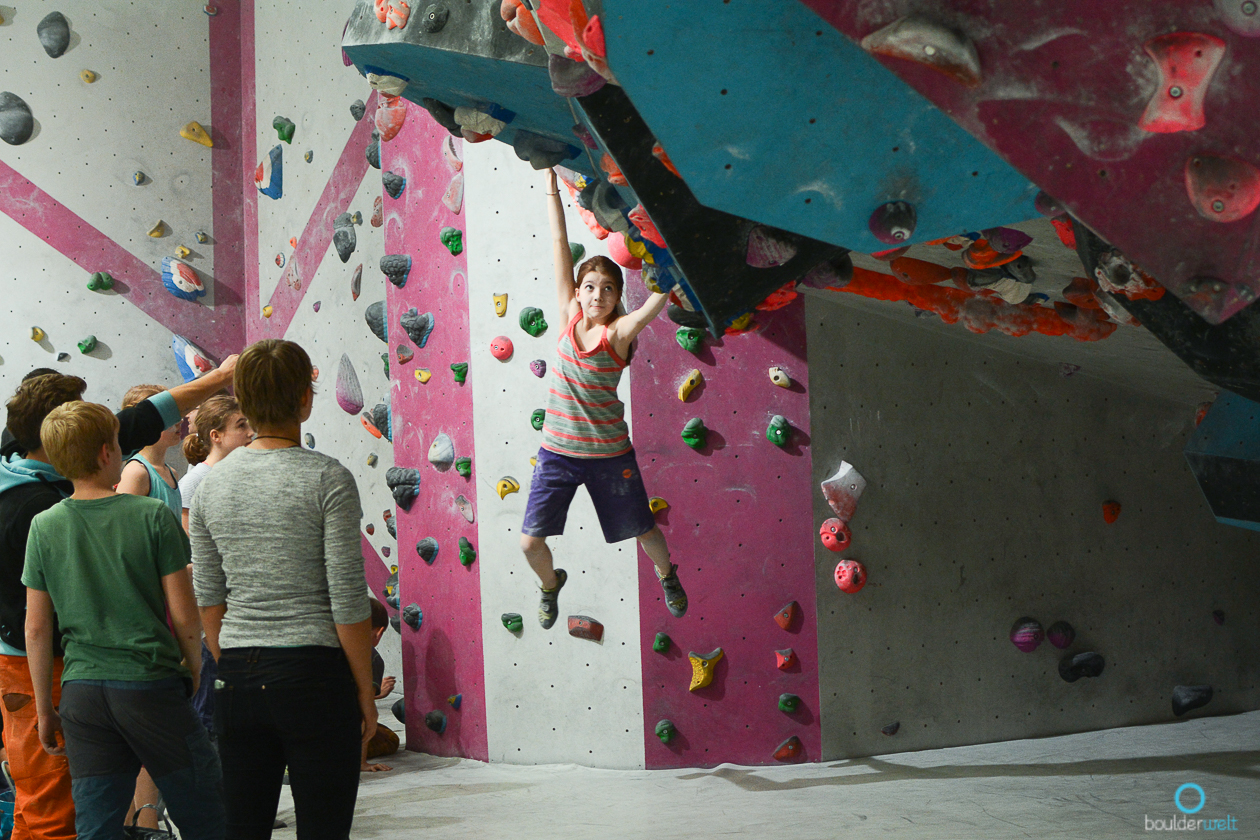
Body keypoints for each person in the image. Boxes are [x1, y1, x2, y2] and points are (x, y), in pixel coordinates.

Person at [0, 360, 236, 840]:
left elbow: (36, 626)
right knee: (206, 811)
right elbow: (183, 610)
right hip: (138, 679)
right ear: (108, 451)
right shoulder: (146, 515)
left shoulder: (41, 513)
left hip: (78, 689)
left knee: (85, 820)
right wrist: (195, 667)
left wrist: (49, 709)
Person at [190, 339, 375, 840]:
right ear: (306, 400)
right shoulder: (328, 478)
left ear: (243, 405)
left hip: (238, 675)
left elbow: (208, 597)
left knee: (243, 829)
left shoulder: (211, 485)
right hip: (313, 675)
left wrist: (227, 658)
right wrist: (364, 688)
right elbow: (348, 599)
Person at [520, 170, 687, 629]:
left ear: (616, 299)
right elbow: (559, 243)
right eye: (590, 286)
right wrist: (553, 188)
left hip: (609, 456)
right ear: (579, 291)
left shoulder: (619, 332)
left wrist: (665, 250)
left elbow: (656, 297)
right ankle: (550, 585)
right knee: (529, 544)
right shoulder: (568, 314)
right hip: (557, 453)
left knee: (643, 530)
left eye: (608, 289)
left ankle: (668, 575)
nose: (597, 294)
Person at [178, 395, 252, 532]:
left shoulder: (247, 473)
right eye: (241, 426)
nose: (251, 433)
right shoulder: (194, 481)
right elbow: (189, 540)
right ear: (216, 436)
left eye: (248, 424)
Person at [117, 385, 182, 519]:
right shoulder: (135, 473)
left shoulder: (172, 473)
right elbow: (123, 526)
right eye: (166, 416)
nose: (179, 420)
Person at [361, 599, 397, 773]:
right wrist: (361, 763)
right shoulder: (371, 657)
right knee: (390, 739)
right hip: (337, 735)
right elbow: (361, 708)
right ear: (379, 632)